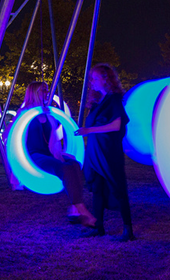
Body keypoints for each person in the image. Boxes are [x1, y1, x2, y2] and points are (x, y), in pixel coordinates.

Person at [21, 81, 98, 228]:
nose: (47, 93)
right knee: (66, 169)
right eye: (43, 90)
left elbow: (54, 141)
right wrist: (16, 169)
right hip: (32, 156)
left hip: (47, 154)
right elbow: (9, 135)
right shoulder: (25, 113)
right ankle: (82, 211)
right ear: (34, 92)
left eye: (47, 90)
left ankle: (74, 209)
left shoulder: (49, 114)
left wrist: (59, 156)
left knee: (74, 163)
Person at [76, 64, 134, 240]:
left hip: (109, 151)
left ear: (105, 79)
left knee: (117, 187)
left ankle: (128, 230)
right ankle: (98, 226)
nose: (91, 81)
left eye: (94, 77)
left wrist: (89, 130)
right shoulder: (96, 102)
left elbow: (116, 125)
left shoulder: (114, 99)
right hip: (95, 150)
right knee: (97, 188)